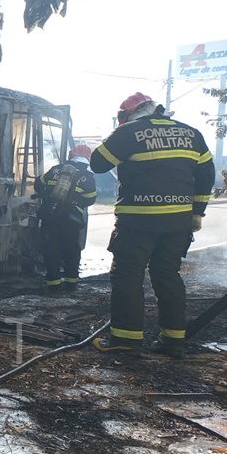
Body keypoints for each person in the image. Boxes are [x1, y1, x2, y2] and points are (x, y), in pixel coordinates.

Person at [90, 92, 215, 358]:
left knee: (127, 275)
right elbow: (207, 173)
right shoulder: (191, 134)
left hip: (138, 220)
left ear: (129, 114)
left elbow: (98, 163)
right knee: (167, 274)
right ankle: (173, 340)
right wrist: (197, 212)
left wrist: (116, 136)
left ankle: (126, 340)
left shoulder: (128, 132)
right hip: (178, 221)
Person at [34, 144, 97, 291]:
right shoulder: (87, 176)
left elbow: (38, 185)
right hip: (71, 220)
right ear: (88, 159)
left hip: (50, 215)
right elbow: (91, 199)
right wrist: (76, 203)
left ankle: (54, 284)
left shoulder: (56, 169)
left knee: (51, 248)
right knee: (71, 249)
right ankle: (71, 283)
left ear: (71, 155)